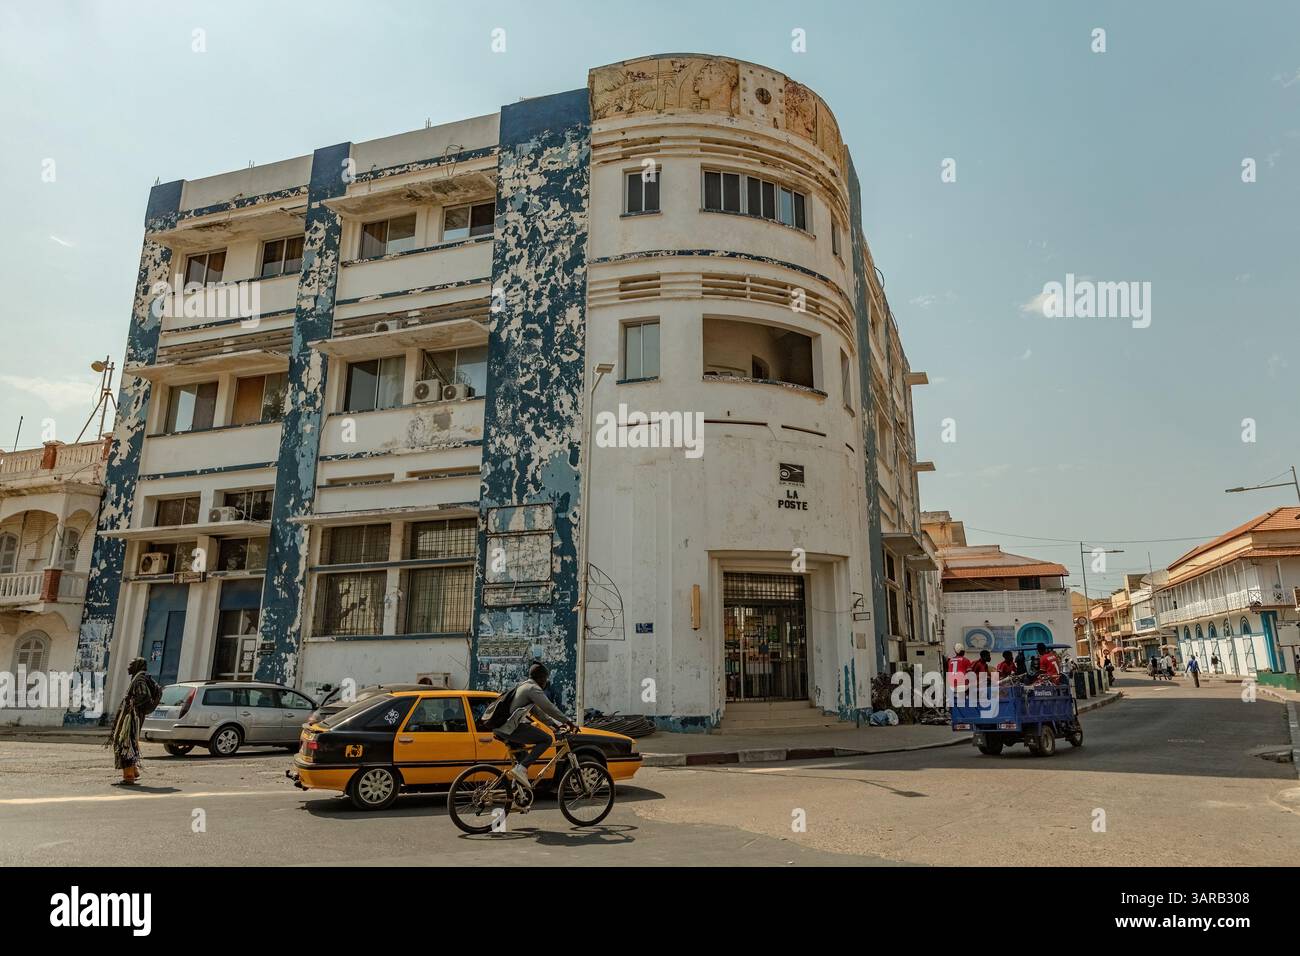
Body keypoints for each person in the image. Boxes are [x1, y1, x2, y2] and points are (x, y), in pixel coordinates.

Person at [494, 662, 579, 786]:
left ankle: (518, 795)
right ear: (540, 678)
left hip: (501, 728)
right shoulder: (533, 688)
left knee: (523, 758)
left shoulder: (523, 686)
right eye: (545, 679)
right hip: (509, 727)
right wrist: (569, 722)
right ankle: (520, 769)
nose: (546, 682)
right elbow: (549, 707)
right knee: (546, 739)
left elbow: (537, 712)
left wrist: (554, 725)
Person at [106, 657, 162, 785]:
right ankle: (134, 771)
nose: (128, 667)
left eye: (131, 664)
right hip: (133, 716)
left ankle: (129, 776)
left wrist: (132, 704)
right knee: (130, 743)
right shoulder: (139, 678)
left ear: (137, 666)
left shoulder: (139, 680)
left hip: (131, 718)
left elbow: (143, 695)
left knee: (125, 743)